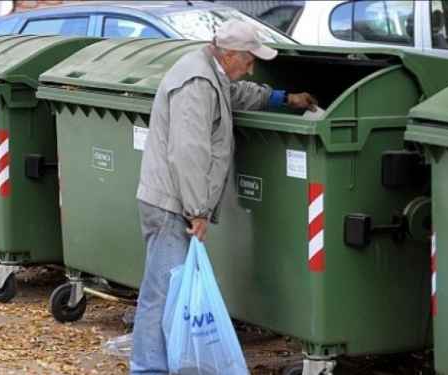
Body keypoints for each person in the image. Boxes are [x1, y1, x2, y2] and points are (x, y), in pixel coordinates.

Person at [131, 19, 317, 375]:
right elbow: (188, 151)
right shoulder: (197, 82)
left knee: (165, 286)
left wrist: (284, 99)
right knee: (164, 290)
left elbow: (237, 94)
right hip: (173, 204)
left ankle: (156, 364)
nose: (252, 67)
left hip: (171, 200)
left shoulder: (210, 72)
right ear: (229, 52)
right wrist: (197, 210)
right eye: (248, 59)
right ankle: (147, 368)